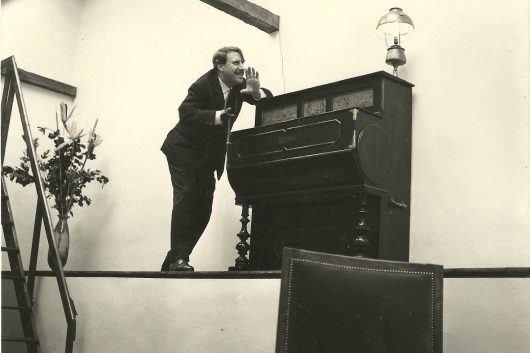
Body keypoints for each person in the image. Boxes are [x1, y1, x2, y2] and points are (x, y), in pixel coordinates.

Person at [160, 46, 272, 271]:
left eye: (242, 62)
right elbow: (186, 112)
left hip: (207, 157)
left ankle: (174, 259)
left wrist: (257, 93)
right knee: (187, 196)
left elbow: (268, 100)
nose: (241, 67)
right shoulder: (202, 85)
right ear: (220, 66)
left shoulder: (240, 85)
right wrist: (217, 117)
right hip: (183, 150)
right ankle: (180, 259)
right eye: (235, 63)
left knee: (204, 209)